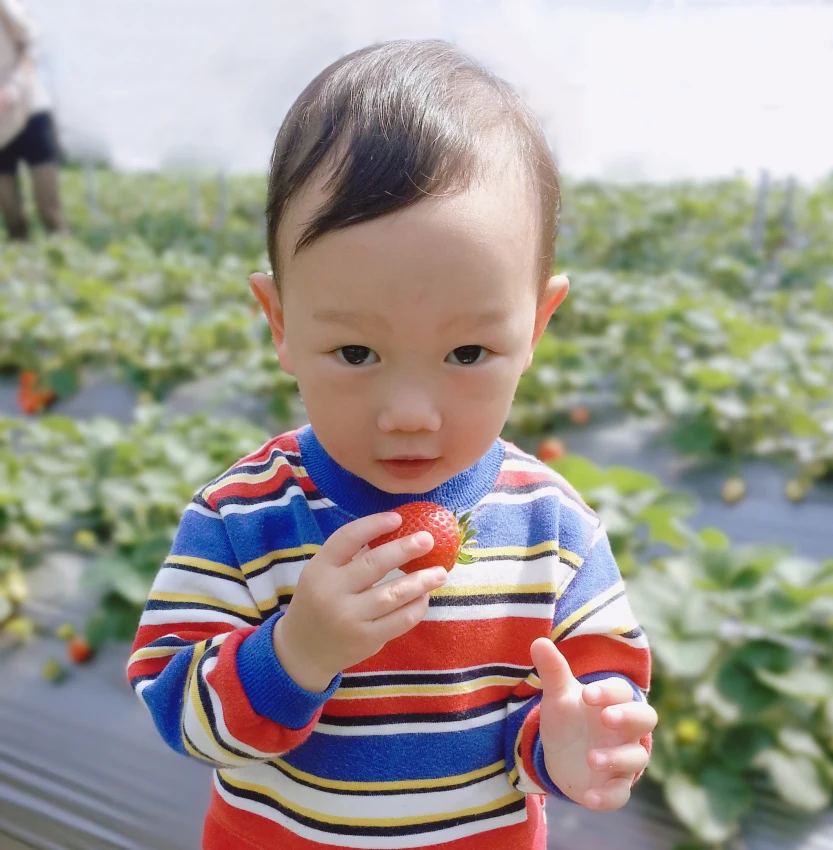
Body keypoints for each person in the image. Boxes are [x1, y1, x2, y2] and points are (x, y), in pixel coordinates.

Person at [127, 39, 656, 850]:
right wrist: (294, 653)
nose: (410, 414)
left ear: (537, 326)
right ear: (280, 323)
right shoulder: (242, 517)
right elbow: (177, 712)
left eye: (467, 353)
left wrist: (576, 742)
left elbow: (587, 686)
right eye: (356, 353)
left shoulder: (554, 527)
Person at [0, 0, 65, 240]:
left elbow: (30, 43)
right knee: (12, 217)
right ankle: (22, 259)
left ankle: (63, 255)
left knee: (50, 210)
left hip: (30, 109)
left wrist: (14, 87)